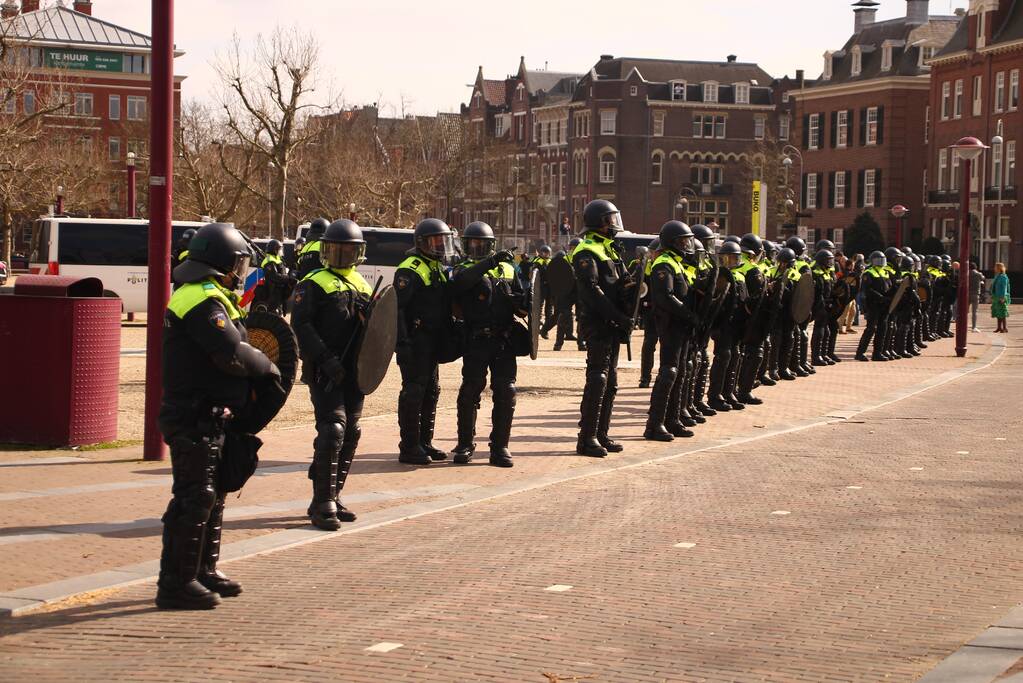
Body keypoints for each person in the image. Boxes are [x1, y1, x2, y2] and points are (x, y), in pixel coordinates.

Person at [157, 222, 280, 610]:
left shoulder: (212, 296)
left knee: (215, 494)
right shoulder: (199, 299)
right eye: (239, 264)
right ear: (223, 263)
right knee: (195, 497)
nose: (241, 272)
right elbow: (230, 351)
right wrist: (266, 365)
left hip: (212, 413)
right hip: (192, 414)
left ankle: (203, 569)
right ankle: (176, 582)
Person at [291, 219, 372, 530]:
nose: (341, 255)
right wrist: (325, 359)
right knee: (333, 429)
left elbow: (375, 331)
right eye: (336, 249)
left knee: (352, 430)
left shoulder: (362, 284)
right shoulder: (313, 282)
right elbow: (302, 324)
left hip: (355, 372)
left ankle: (333, 494)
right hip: (326, 370)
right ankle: (322, 504)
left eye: (348, 250)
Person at [449, 222, 523, 467]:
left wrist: (524, 301)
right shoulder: (463, 268)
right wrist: (490, 262)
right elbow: (460, 285)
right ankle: (464, 444)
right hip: (476, 339)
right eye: (473, 244)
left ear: (491, 245)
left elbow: (523, 299)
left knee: (506, 392)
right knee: (470, 390)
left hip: (503, 339)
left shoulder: (508, 269)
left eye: (483, 245)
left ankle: (500, 446)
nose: (478, 248)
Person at [394, 218, 458, 465]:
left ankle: (424, 441)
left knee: (431, 391)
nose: (441, 246)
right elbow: (397, 309)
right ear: (421, 243)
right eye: (435, 241)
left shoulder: (438, 268)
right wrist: (403, 343)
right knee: (414, 391)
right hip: (415, 341)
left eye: (444, 241)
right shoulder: (409, 268)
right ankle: (408, 446)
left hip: (432, 341)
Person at [573, 200, 632, 457]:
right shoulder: (586, 251)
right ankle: (586, 438)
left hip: (613, 322)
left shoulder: (610, 248)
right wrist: (617, 315)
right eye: (610, 219)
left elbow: (620, 283)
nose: (614, 224)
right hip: (597, 322)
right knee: (597, 379)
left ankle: (601, 433)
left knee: (610, 383)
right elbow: (594, 291)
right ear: (599, 221)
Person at [644, 222, 698, 441]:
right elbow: (665, 297)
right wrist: (687, 313)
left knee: (681, 372)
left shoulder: (678, 264)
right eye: (683, 241)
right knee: (668, 373)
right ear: (672, 242)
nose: (687, 244)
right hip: (670, 325)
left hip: (681, 326)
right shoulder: (664, 265)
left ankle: (672, 420)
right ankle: (654, 424)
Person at [855, 251, 893, 362]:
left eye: (882, 260)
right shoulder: (869, 273)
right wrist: (881, 297)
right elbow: (868, 290)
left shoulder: (886, 272)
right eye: (878, 260)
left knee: (882, 329)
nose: (880, 262)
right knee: (871, 329)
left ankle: (877, 353)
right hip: (873, 305)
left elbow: (890, 286)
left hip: (884, 306)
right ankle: (860, 353)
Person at [251, 239, 294, 316]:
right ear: (274, 250)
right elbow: (274, 276)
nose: (281, 251)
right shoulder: (269, 260)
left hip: (279, 292)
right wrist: (288, 279)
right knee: (274, 315)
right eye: (279, 249)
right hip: (273, 292)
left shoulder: (277, 259)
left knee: (279, 314)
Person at [530, 245, 555, 334]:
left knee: (549, 308)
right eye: (545, 252)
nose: (546, 254)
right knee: (539, 306)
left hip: (550, 287)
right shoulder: (537, 262)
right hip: (541, 287)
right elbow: (533, 275)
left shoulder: (551, 262)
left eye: (548, 253)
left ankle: (546, 329)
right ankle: (537, 325)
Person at [992, 262, 1011, 333]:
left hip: (1002, 296)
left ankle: (1005, 328)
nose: (994, 268)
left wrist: (1002, 297)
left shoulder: (1003, 277)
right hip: (997, 296)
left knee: (1003, 312)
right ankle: (999, 327)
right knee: (998, 312)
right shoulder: (997, 276)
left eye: (995, 267)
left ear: (999, 268)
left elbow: (1004, 287)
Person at [969, 261, 985, 332]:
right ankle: (974, 327)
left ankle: (963, 324)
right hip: (975, 294)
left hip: (967, 293)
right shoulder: (978, 274)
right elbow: (983, 278)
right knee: (974, 312)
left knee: (965, 311)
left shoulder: (966, 273)